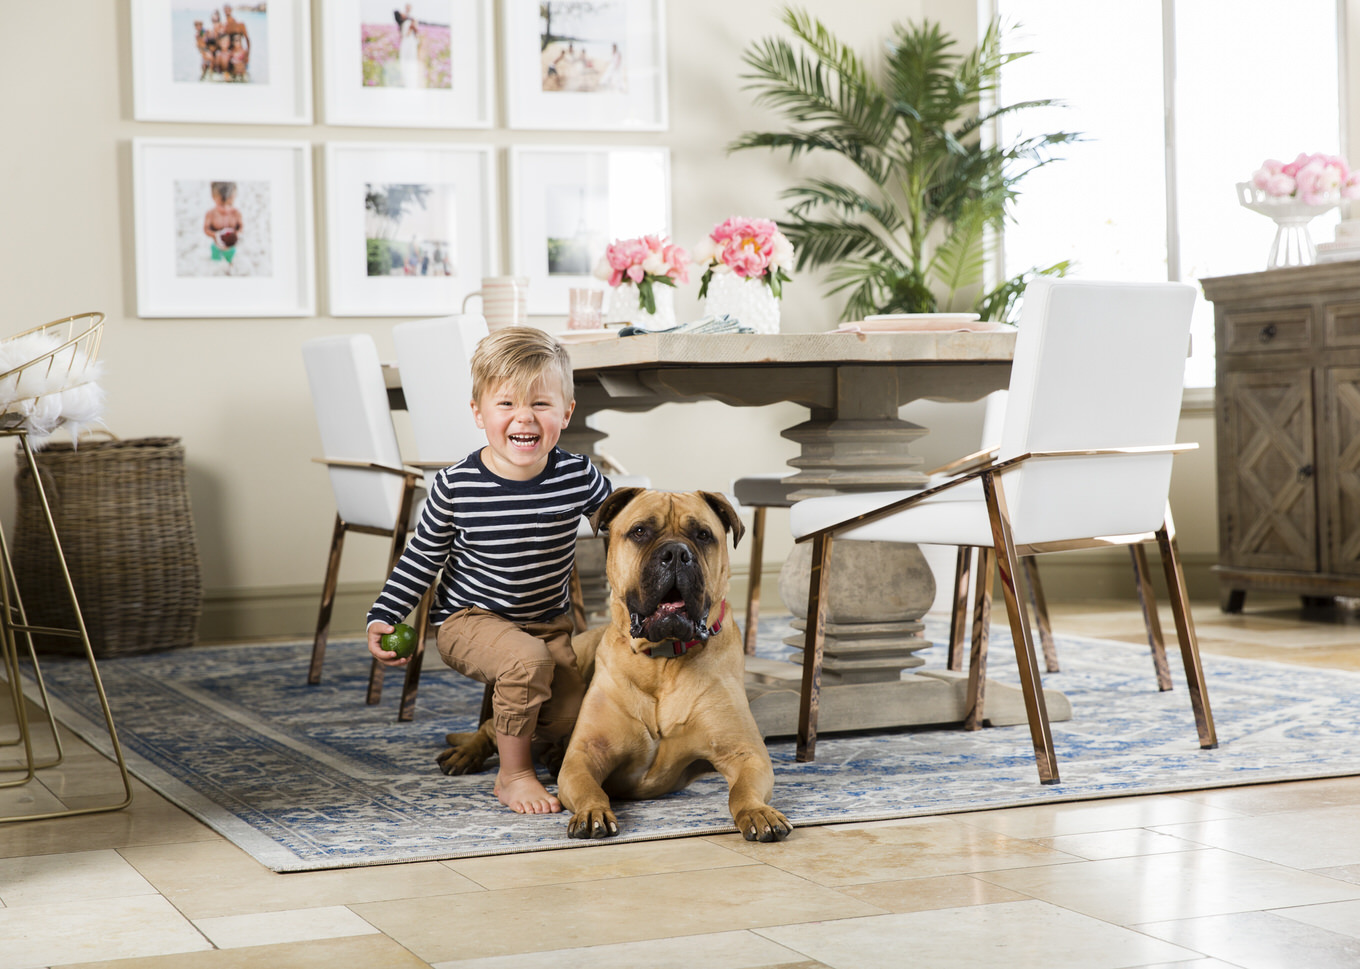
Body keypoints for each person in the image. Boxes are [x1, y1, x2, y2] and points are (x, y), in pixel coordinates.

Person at [366, 327, 612, 815]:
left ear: (567, 411)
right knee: (528, 665)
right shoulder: (455, 486)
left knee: (567, 718)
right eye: (506, 405)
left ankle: (497, 733)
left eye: (541, 404)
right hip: (467, 620)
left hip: (546, 623)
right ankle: (513, 775)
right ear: (478, 413)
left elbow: (624, 527)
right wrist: (385, 615)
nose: (525, 417)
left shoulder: (578, 476)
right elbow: (421, 558)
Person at [202, 181, 243, 271]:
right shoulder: (210, 214)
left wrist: (237, 232)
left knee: (230, 257)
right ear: (213, 198)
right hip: (216, 245)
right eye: (221, 205)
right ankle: (217, 266)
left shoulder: (236, 213)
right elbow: (206, 229)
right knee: (216, 261)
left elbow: (241, 226)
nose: (226, 209)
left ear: (234, 198)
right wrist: (215, 234)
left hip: (231, 246)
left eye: (230, 204)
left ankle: (229, 263)